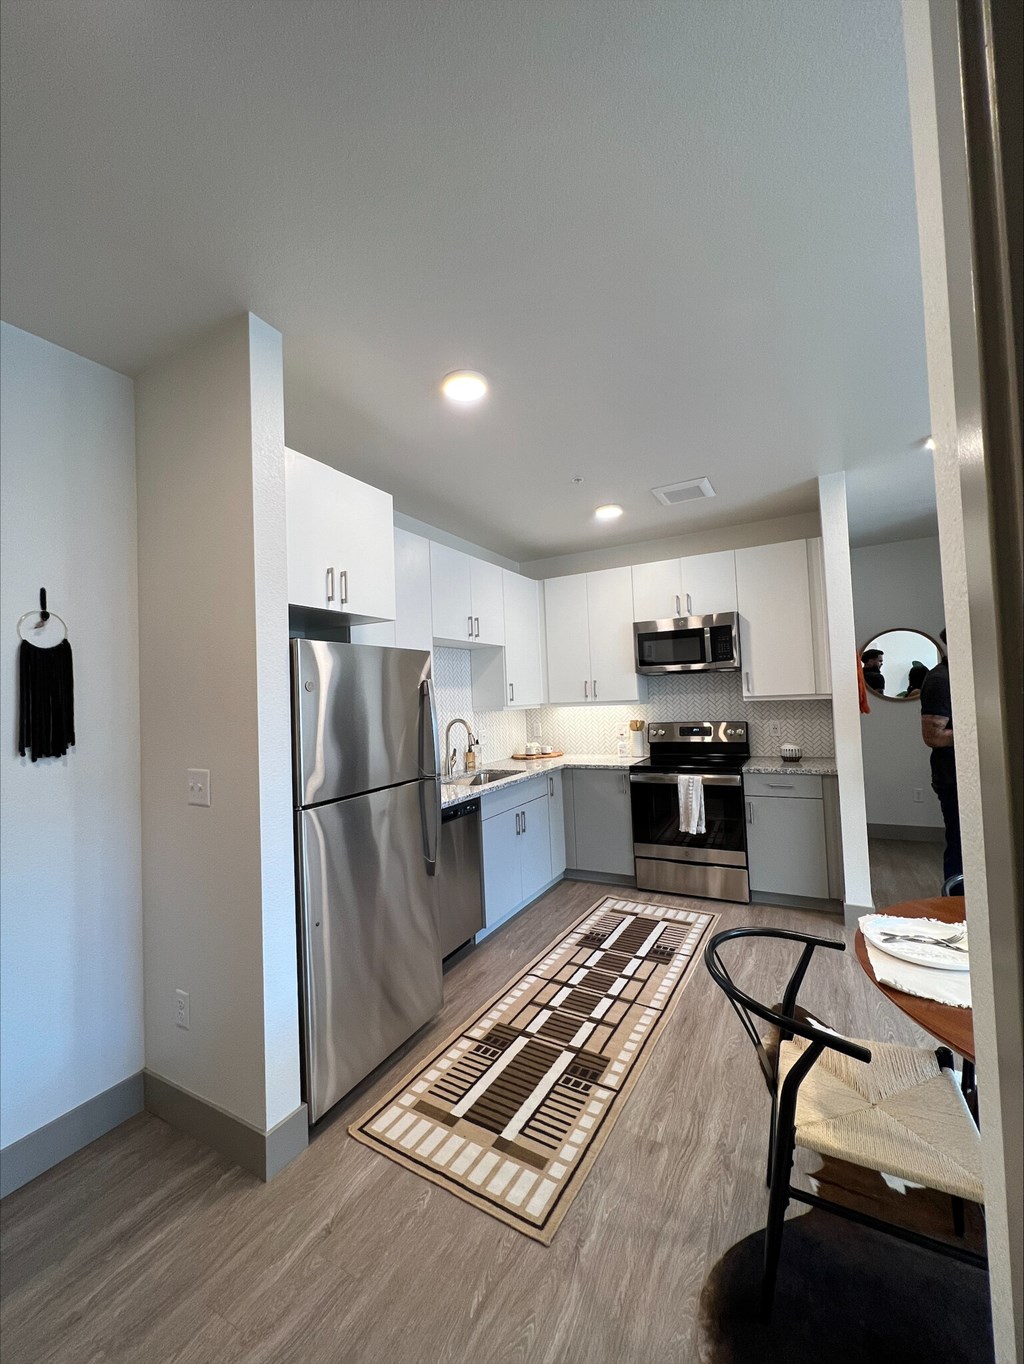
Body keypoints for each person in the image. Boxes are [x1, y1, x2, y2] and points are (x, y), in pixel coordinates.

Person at [920, 630, 961, 881]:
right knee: (961, 847)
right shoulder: (940, 680)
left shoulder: (960, 676)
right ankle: (954, 911)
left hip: (961, 774)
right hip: (953, 776)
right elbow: (932, 737)